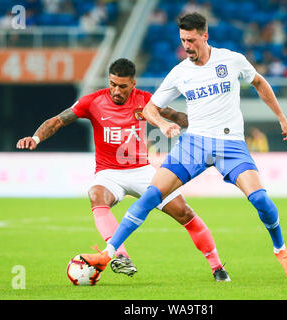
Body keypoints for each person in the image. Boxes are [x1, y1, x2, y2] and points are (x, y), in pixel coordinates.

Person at [81, 13, 287, 283]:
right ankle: (108, 253)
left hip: (231, 144)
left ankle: (280, 250)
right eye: (183, 40)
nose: (187, 46)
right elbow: (150, 108)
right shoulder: (180, 73)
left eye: (192, 40)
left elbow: (259, 83)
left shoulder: (232, 60)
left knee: (260, 200)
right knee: (150, 196)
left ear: (205, 36)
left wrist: (282, 118)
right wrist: (163, 125)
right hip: (194, 143)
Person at [16, 58, 230, 281]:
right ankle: (120, 255)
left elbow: (176, 116)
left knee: (184, 212)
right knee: (97, 195)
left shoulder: (147, 101)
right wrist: (35, 138)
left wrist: (207, 124)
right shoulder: (93, 101)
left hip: (142, 171)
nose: (116, 91)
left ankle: (217, 268)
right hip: (109, 173)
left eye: (122, 86)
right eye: (112, 84)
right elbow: (58, 121)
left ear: (133, 84)